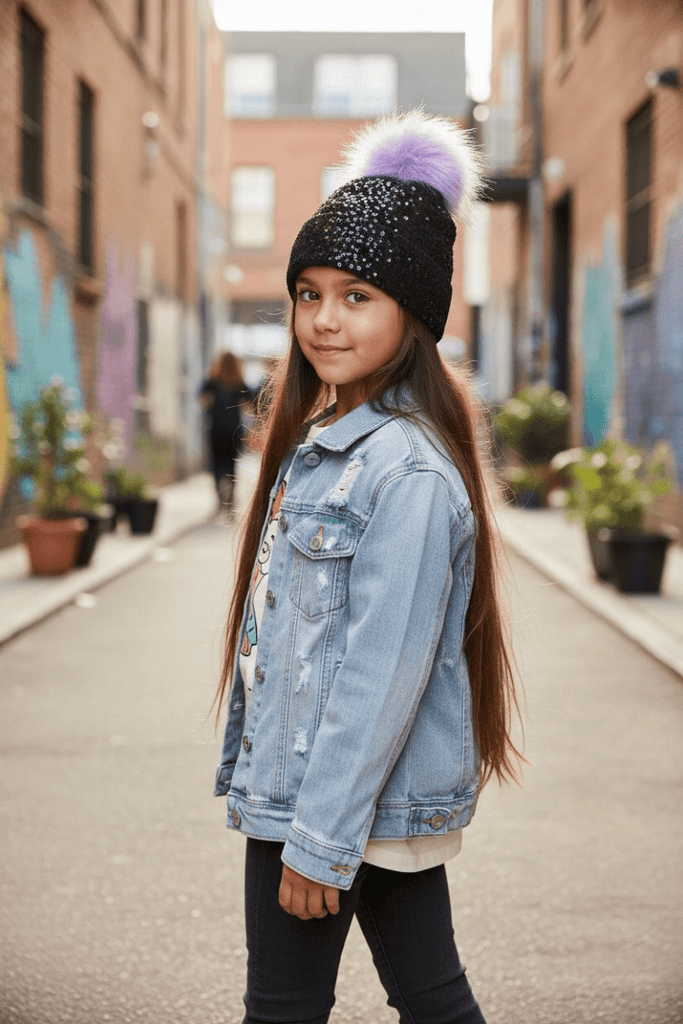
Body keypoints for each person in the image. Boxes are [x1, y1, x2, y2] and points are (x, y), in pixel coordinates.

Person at [213, 110, 523, 1024]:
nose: (321, 319)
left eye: (356, 296)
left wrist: (315, 838)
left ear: (414, 315)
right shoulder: (326, 445)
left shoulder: (407, 472)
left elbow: (380, 674)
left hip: (332, 803)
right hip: (330, 796)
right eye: (308, 294)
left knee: (282, 1008)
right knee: (429, 1000)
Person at [200, 352, 252, 516]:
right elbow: (249, 405)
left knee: (216, 465)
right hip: (234, 429)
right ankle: (230, 503)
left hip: (216, 428)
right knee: (231, 466)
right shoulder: (239, 383)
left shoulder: (212, 382)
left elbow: (203, 400)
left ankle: (220, 500)